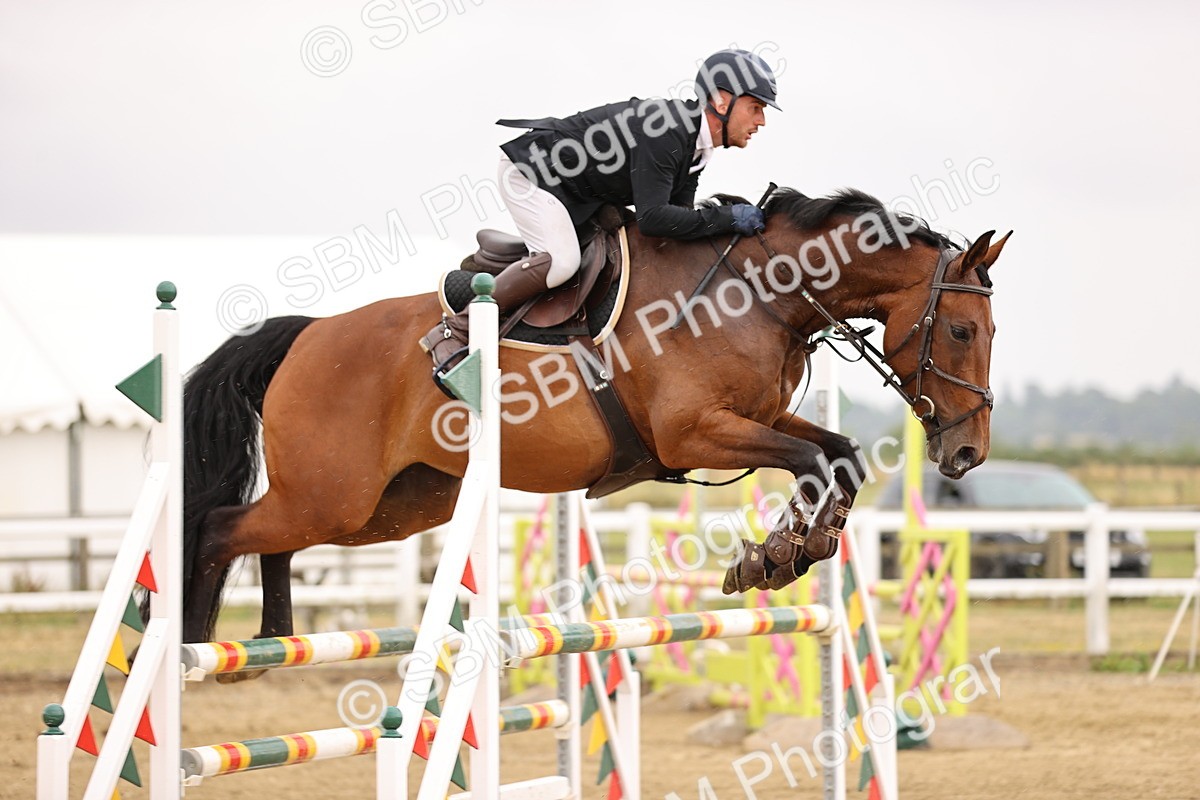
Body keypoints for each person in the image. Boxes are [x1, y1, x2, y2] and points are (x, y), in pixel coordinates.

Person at [420, 48, 781, 370]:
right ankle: (456, 329)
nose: (761, 121)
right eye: (756, 108)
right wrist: (727, 218)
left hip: (577, 190)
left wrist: (725, 226)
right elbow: (654, 219)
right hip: (532, 173)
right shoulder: (669, 132)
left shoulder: (698, 149)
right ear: (721, 101)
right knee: (562, 263)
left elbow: (677, 222)